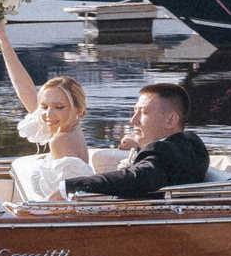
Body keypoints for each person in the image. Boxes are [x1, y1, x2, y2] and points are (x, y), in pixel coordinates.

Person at [62, 81, 208, 199]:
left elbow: (138, 178)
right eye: (134, 111)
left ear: (171, 120)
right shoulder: (191, 143)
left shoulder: (163, 154)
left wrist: (70, 186)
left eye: (143, 112)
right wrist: (141, 144)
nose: (133, 120)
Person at [0, 39, 92, 201]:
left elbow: (66, 200)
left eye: (59, 107)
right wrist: (2, 39)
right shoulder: (68, 130)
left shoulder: (61, 140)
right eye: (44, 106)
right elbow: (25, 90)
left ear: (78, 110)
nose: (49, 114)